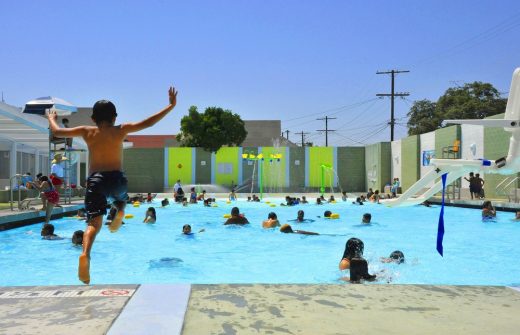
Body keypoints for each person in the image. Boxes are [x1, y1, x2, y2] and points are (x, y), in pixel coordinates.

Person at [48, 86, 178, 284]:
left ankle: (85, 254)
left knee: (93, 224)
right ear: (115, 117)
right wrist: (170, 106)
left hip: (95, 180)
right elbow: (148, 123)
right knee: (122, 200)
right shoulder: (121, 130)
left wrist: (51, 118)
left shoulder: (86, 131)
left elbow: (57, 132)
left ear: (93, 119)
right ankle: (119, 214)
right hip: (116, 179)